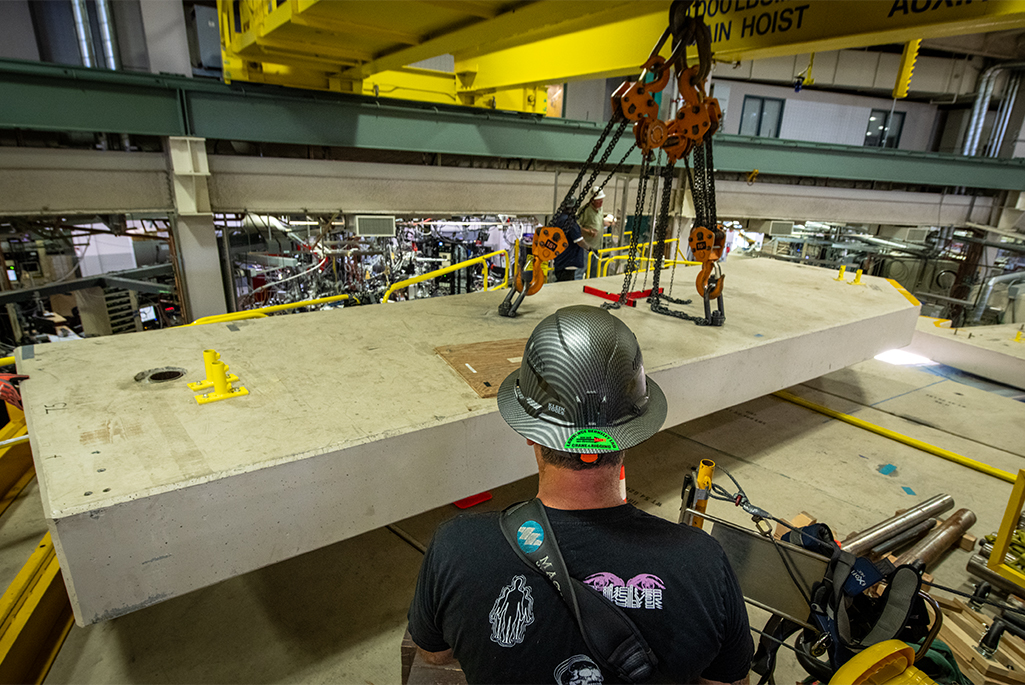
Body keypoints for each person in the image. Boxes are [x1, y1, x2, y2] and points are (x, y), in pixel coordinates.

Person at [408, 305, 754, 684]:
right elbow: (727, 680)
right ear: (634, 431)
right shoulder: (704, 566)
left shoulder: (456, 548)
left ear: (530, 430)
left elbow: (433, 652)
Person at [552, 209, 597, 282]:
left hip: (560, 259)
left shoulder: (559, 219)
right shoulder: (570, 222)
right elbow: (579, 241)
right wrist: (589, 248)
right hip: (570, 261)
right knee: (567, 284)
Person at [577, 187, 605, 279]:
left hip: (597, 247)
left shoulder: (600, 210)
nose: (601, 203)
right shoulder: (584, 210)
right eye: (598, 201)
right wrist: (588, 231)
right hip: (586, 248)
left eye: (602, 200)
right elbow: (575, 226)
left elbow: (597, 222)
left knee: (595, 273)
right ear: (592, 200)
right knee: (580, 272)